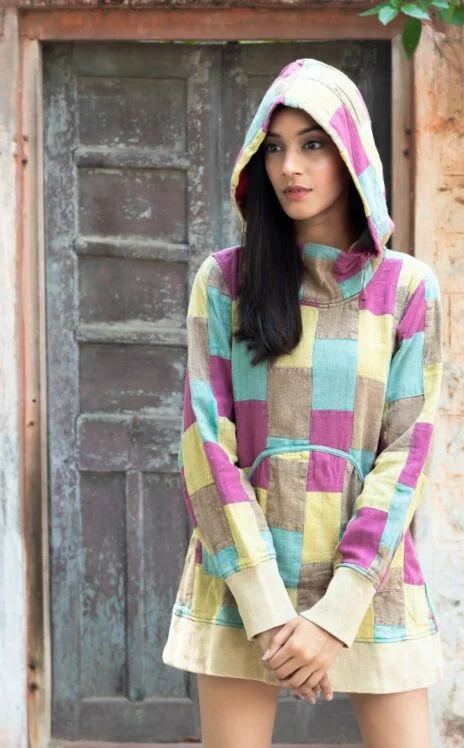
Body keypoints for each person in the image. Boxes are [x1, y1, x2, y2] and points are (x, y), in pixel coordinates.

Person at [162, 58, 445, 748]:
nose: (290, 166)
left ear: (351, 154)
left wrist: (334, 616)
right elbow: (206, 448)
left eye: (313, 144)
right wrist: (266, 607)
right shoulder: (225, 282)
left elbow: (406, 457)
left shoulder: (407, 289)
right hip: (242, 582)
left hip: (368, 581)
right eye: (275, 147)